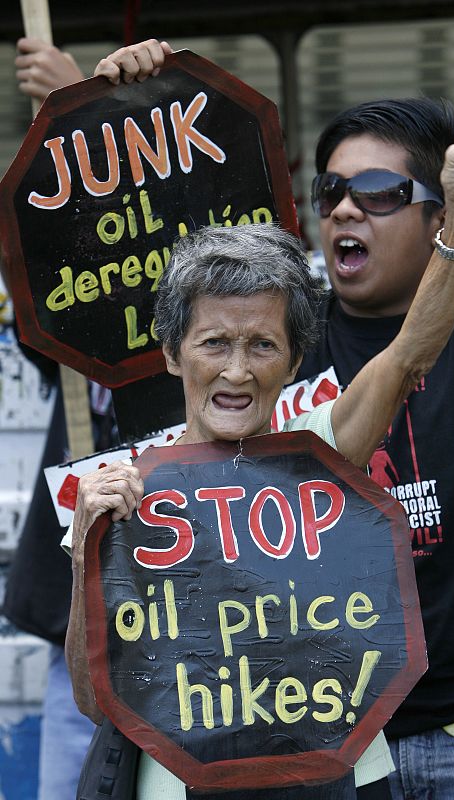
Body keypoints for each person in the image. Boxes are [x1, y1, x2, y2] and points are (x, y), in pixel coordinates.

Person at [62, 102, 454, 799]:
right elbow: (96, 699)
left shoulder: (325, 451)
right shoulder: (122, 492)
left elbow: (408, 353)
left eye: (262, 345)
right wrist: (92, 537)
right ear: (173, 353)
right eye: (215, 343)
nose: (237, 370)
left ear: (294, 357)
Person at [293, 99, 454, 799]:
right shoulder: (276, 347)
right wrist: (125, 106)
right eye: (330, 192)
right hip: (331, 750)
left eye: (380, 194)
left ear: (442, 216)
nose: (342, 212)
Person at [2, 38, 93, 800]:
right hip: (81, 633)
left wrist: (78, 110)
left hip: (197, 633)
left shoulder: (212, 353)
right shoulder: (67, 339)